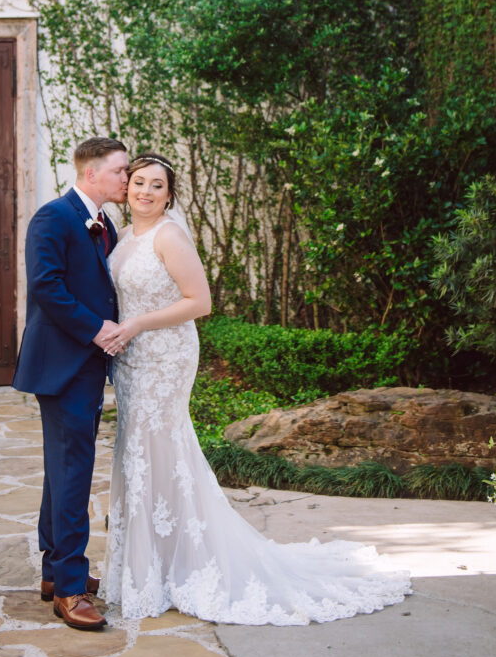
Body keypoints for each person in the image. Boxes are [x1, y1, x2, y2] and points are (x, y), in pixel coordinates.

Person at [100, 153, 411, 624]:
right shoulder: (123, 236)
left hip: (165, 356)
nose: (144, 191)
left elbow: (199, 302)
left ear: (170, 194)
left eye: (156, 185)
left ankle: (181, 563)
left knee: (161, 447)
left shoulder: (170, 235)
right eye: (138, 182)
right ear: (128, 188)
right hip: (133, 360)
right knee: (137, 452)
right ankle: (150, 562)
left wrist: (138, 322)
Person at [12, 136, 130, 631]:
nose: (127, 179)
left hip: (86, 365)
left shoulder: (106, 225)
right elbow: (45, 286)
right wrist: (97, 329)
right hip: (63, 365)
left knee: (63, 470)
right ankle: (71, 589)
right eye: (121, 171)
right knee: (74, 473)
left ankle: (53, 571)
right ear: (92, 174)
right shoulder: (53, 217)